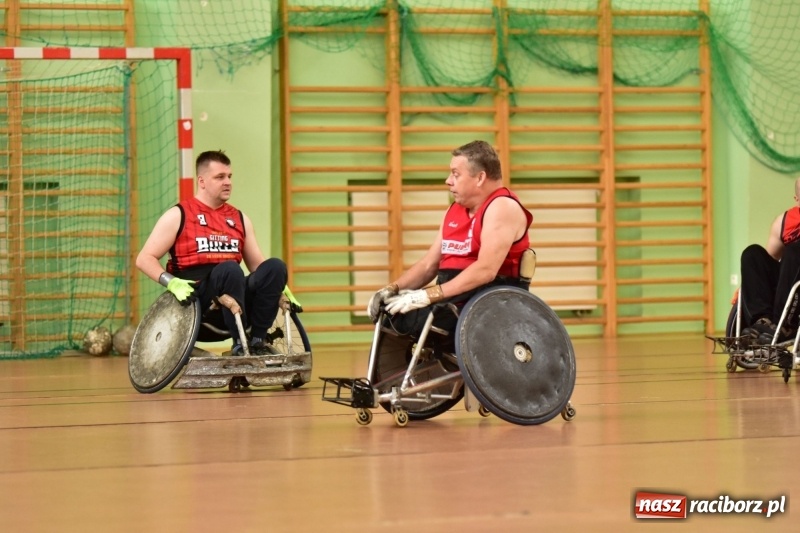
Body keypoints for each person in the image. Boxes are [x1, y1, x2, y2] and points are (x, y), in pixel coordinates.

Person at [367, 140, 533, 344]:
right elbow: (429, 264)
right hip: (452, 299)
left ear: (480, 177)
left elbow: (485, 270)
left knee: (412, 318)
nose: (448, 181)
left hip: (486, 304)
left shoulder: (502, 207)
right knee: (389, 312)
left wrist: (428, 295)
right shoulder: (454, 211)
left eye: (456, 174)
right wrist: (391, 289)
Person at [136, 149, 287, 355]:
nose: (228, 182)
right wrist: (170, 281)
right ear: (202, 181)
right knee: (230, 270)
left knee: (275, 267)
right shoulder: (178, 215)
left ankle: (257, 341)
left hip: (235, 293)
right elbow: (144, 258)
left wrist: (281, 285)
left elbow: (258, 266)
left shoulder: (239, 218)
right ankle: (239, 345)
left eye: (229, 176)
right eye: (220, 177)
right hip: (198, 299)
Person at [739, 177, 800, 344]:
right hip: (789, 283)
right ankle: (762, 321)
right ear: (797, 199)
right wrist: (748, 286)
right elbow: (768, 262)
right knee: (752, 254)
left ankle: (786, 325)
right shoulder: (784, 222)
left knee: (796, 250)